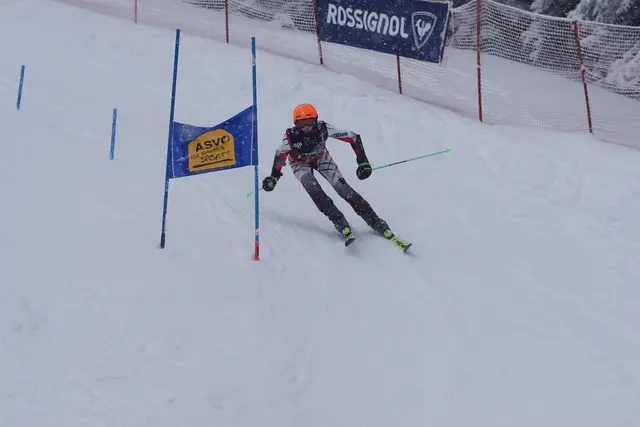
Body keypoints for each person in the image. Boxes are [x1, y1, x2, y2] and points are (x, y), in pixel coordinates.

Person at [261, 103, 399, 246]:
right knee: (312, 187)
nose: (306, 127)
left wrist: (363, 162)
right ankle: (338, 220)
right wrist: (274, 177)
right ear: (295, 124)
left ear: (315, 120)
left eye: (309, 122)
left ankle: (374, 220)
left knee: (343, 189)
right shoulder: (290, 137)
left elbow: (353, 137)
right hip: (299, 163)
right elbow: (280, 155)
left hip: (322, 159)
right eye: (302, 123)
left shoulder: (323, 128)